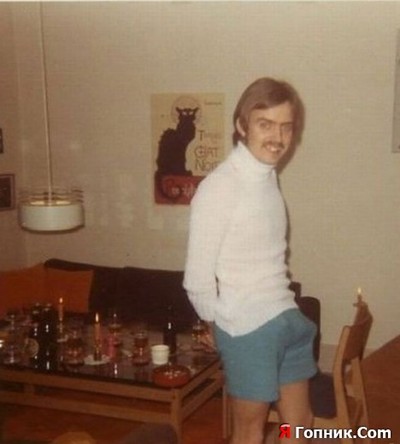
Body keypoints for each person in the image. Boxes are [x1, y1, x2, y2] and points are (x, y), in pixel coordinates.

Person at [183, 77, 317, 444]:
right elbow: (196, 279)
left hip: (287, 318)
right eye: (265, 124)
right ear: (242, 126)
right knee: (250, 431)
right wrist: (222, 326)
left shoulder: (266, 177)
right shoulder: (220, 187)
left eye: (286, 126)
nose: (278, 137)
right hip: (249, 328)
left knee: (299, 425)